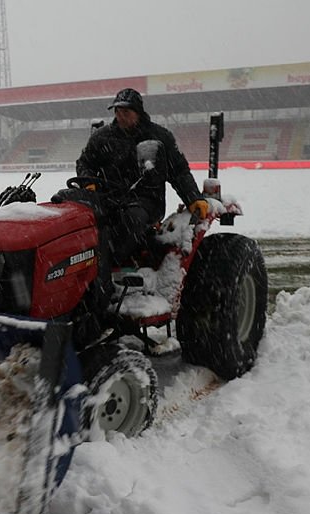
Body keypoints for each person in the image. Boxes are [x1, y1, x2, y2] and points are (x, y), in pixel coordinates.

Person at [54, 88, 208, 339]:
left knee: (132, 219)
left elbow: (179, 171)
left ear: (138, 112)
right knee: (75, 214)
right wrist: (89, 184)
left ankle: (108, 264)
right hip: (108, 198)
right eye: (117, 111)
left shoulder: (159, 138)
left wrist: (194, 199)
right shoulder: (103, 138)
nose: (121, 116)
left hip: (145, 201)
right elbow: (85, 162)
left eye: (125, 112)